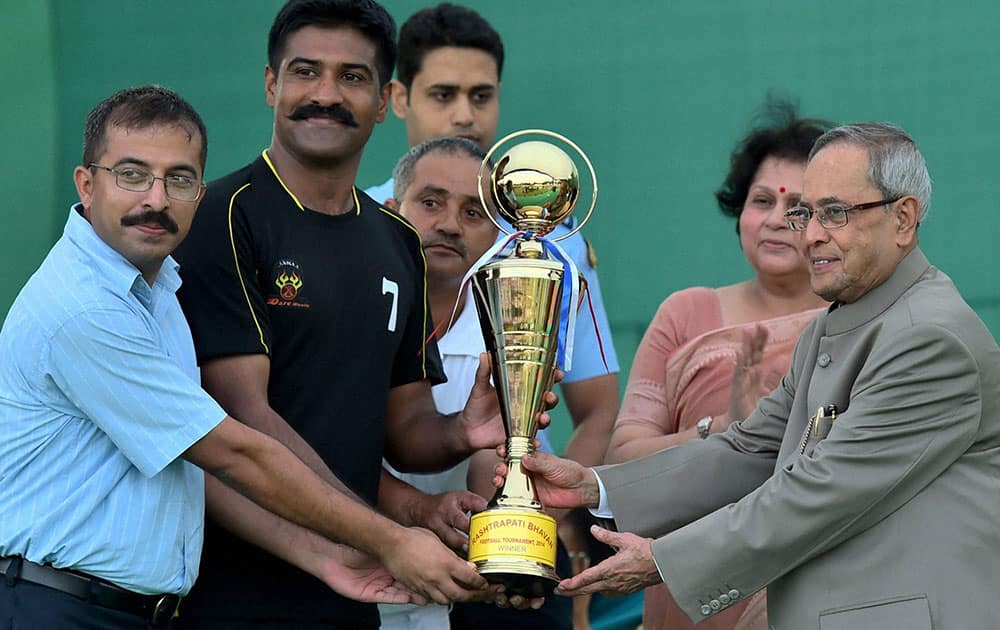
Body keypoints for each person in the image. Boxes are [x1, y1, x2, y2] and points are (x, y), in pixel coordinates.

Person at [508, 122, 1000, 629]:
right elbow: (751, 451)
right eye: (807, 213)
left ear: (903, 218)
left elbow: (817, 494)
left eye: (835, 212)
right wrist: (592, 487)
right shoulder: (842, 322)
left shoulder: (929, 340)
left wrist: (663, 561)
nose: (809, 234)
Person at [171, 2, 550, 628]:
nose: (325, 95)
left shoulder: (398, 240)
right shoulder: (222, 217)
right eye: (305, 72)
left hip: (354, 594)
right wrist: (387, 533)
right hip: (233, 591)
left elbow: (402, 428)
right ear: (271, 84)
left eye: (351, 77)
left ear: (383, 100)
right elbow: (245, 421)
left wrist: (462, 432)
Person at [0, 85, 428, 629]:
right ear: (87, 185)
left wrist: (323, 555)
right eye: (131, 175)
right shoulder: (82, 308)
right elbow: (234, 454)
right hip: (56, 610)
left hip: (124, 613)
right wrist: (391, 540)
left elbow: (195, 467)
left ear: (200, 195)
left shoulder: (157, 292)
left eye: (178, 179)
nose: (155, 199)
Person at [366, 6, 621, 625]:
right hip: (373, 540)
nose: (464, 115)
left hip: (508, 555)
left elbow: (597, 405)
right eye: (442, 94)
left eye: (481, 96)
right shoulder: (358, 225)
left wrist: (535, 517)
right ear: (398, 97)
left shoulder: (553, 242)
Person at [603, 101, 831, 630]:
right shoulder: (685, 314)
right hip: (682, 577)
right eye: (760, 201)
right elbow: (623, 458)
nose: (776, 219)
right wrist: (724, 433)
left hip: (807, 578)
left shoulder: (856, 326)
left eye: (797, 206)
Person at [375, 136, 500, 630]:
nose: (449, 224)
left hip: (444, 589)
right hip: (330, 578)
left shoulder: (508, 331)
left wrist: (494, 546)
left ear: (496, 235)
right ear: (390, 210)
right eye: (430, 203)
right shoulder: (345, 307)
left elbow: (493, 460)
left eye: (474, 213)